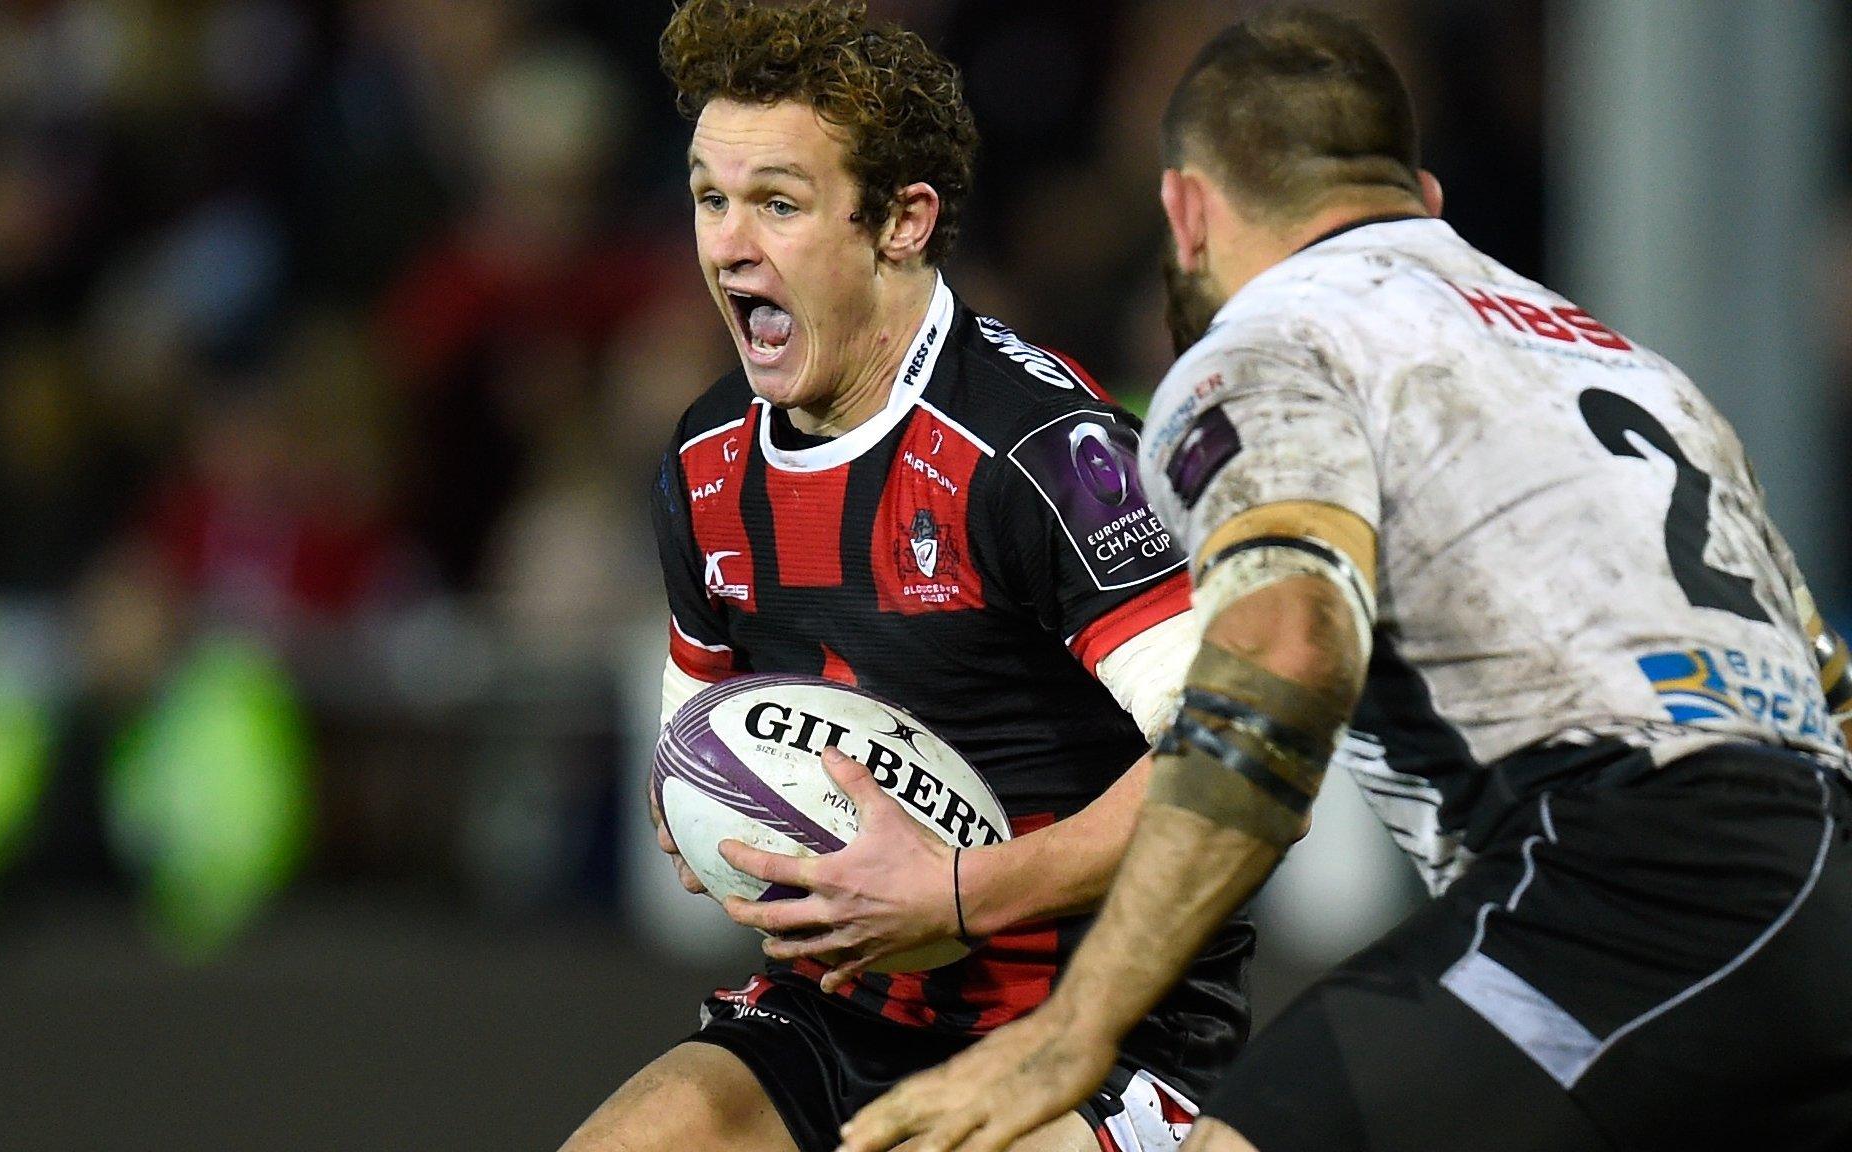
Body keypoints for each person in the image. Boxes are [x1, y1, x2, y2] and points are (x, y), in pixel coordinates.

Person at [839, 8, 1852, 1152]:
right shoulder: (1635, 373)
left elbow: (1286, 652)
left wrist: (1077, 1024)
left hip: (1620, 886)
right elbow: (1826, 692)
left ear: (1184, 207)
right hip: (1815, 904)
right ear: (1420, 200)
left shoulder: (1267, 345)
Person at [558, 3, 1257, 1151]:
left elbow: (1236, 771)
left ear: (900, 222)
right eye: (708, 197)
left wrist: (953, 897)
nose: (728, 245)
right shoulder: (703, 462)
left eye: (777, 203)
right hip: (838, 1016)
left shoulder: (1044, 459)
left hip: (1091, 1033)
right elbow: (704, 736)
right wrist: (712, 814)